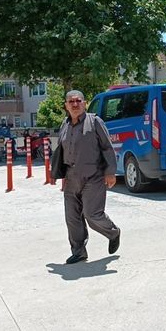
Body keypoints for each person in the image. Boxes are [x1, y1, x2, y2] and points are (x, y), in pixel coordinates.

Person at [58, 90, 121, 264]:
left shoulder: (95, 122)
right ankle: (78, 251)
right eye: (71, 101)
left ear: (84, 103)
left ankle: (113, 232)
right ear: (66, 105)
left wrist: (110, 172)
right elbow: (62, 151)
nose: (75, 104)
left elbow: (108, 148)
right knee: (72, 217)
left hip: (93, 176)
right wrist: (59, 174)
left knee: (92, 214)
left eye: (78, 101)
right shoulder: (64, 124)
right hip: (71, 178)